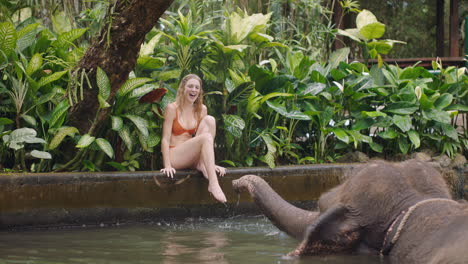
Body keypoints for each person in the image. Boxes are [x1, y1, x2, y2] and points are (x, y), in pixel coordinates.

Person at [160, 74, 227, 203]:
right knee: (206, 137)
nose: (193, 90)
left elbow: (204, 136)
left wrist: (210, 164)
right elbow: (165, 139)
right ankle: (213, 184)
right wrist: (167, 165)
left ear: (200, 91)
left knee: (210, 120)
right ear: (182, 89)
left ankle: (204, 165)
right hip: (176, 156)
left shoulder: (201, 110)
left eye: (197, 87)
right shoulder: (172, 108)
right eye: (190, 86)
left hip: (191, 157)